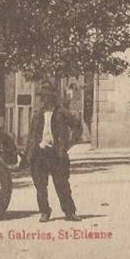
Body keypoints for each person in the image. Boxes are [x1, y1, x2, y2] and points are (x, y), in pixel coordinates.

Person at [26, 82, 83, 223]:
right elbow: (32, 135)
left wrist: (68, 144)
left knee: (62, 184)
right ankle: (44, 212)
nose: (44, 99)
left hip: (56, 154)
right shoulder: (37, 114)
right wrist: (29, 154)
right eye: (43, 96)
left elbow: (77, 126)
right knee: (40, 187)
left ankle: (70, 212)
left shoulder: (62, 113)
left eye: (47, 96)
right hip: (40, 154)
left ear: (53, 97)